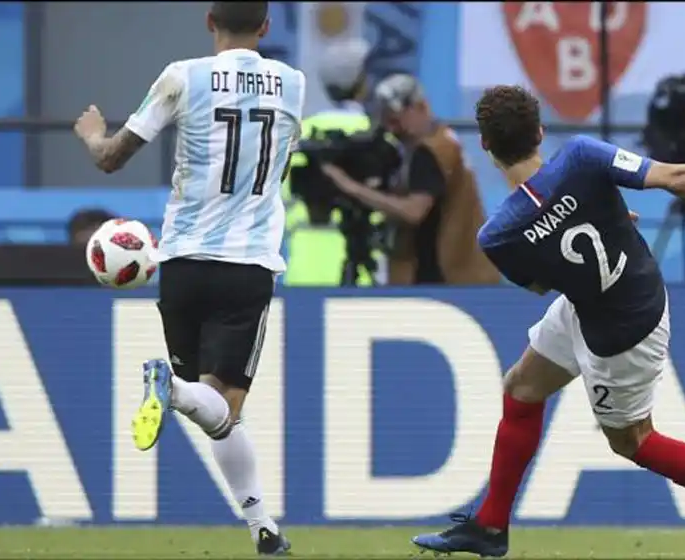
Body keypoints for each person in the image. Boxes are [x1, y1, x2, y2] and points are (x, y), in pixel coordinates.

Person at [412, 85, 685, 560]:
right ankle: (490, 528)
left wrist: (595, 224)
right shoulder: (581, 155)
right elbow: (677, 177)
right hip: (613, 298)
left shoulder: (496, 235)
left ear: (485, 146)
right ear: (539, 132)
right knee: (520, 388)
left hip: (622, 330)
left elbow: (544, 282)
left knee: (634, 441)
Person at [72, 2, 303, 555]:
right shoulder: (292, 84)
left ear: (209, 21)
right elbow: (280, 166)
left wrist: (92, 133)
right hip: (247, 263)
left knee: (217, 412)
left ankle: (262, 529)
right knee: (225, 407)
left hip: (180, 263)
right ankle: (170, 390)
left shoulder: (183, 76)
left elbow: (110, 158)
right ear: (267, 27)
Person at [321, 74, 499, 285]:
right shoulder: (444, 139)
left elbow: (413, 211)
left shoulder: (431, 151)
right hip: (464, 272)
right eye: (386, 121)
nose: (392, 129)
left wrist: (352, 187)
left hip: (446, 277)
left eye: (396, 120)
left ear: (420, 107)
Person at [282, 38, 384, 286]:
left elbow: (281, 196)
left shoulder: (301, 133)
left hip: (302, 271)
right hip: (362, 274)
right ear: (361, 83)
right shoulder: (376, 137)